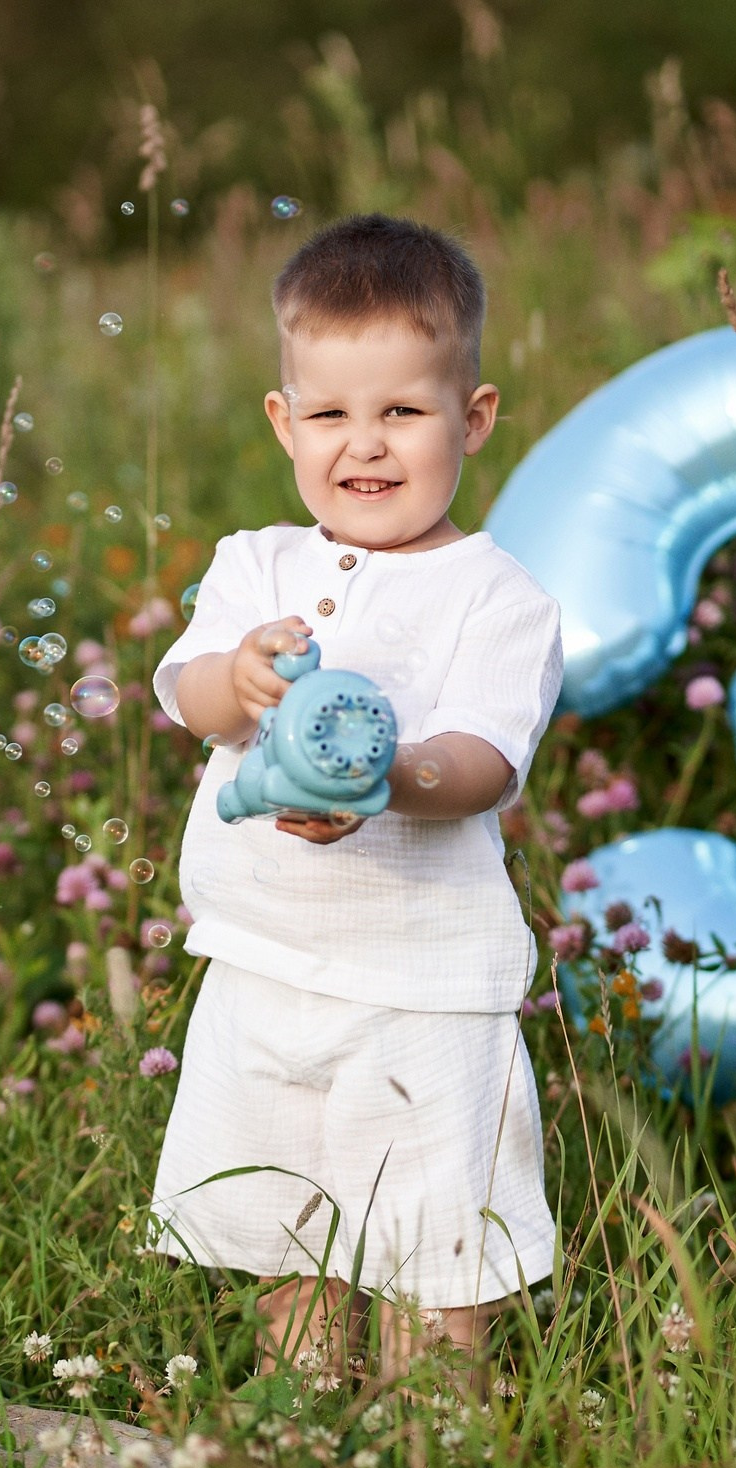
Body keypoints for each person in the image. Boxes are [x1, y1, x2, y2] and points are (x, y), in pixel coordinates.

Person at [148, 212, 563, 1388]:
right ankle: (301, 1417)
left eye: (402, 412)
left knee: (434, 1236)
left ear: (470, 419)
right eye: (329, 413)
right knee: (286, 1224)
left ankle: (435, 1440)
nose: (363, 445)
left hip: (423, 987)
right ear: (284, 422)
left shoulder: (498, 596)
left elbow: (483, 758)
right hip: (261, 963)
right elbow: (185, 695)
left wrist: (388, 783)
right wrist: (235, 680)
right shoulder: (256, 565)